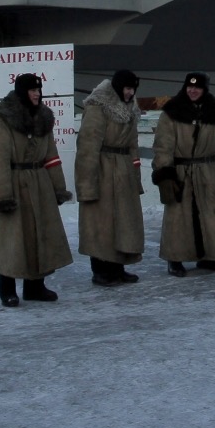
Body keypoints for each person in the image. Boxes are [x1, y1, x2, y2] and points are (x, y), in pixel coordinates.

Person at [0, 72, 73, 307]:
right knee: (12, 239)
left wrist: (58, 188)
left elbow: (51, 156)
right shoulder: (3, 119)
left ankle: (35, 287)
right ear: (23, 92)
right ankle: (7, 290)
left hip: (40, 184)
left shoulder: (44, 118)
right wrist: (2, 196)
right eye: (33, 90)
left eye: (39, 90)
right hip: (14, 183)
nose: (37, 94)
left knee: (39, 235)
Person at [150, 71, 215, 276]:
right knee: (178, 218)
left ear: (204, 89)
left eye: (197, 87)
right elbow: (163, 146)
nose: (193, 90)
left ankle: (211, 257)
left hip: (210, 173)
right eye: (190, 87)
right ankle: (175, 259)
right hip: (181, 172)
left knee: (213, 217)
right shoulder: (171, 113)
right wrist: (165, 175)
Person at [76, 69, 146, 286]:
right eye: (127, 88)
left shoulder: (131, 109)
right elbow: (87, 147)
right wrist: (87, 185)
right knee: (101, 223)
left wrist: (135, 177)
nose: (130, 93)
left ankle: (118, 267)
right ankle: (100, 271)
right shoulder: (98, 107)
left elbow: (133, 145)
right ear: (117, 87)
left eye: (133, 89)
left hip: (123, 172)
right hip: (103, 170)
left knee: (122, 223)